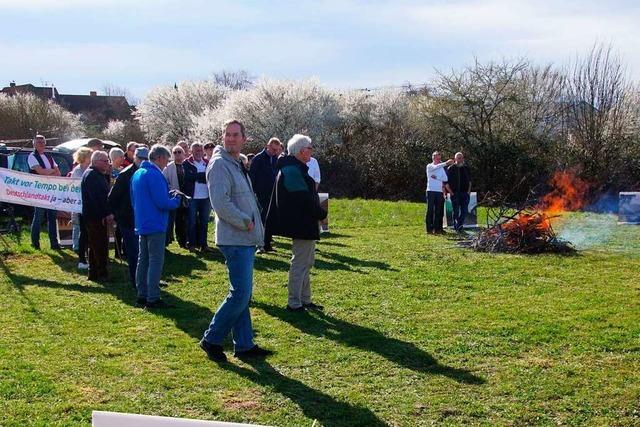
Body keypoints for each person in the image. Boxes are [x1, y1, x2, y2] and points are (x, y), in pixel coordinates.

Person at [199, 119, 271, 363]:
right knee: (240, 294)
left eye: (235, 134)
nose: (230, 138)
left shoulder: (236, 163)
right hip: (235, 237)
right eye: (227, 134)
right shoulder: (220, 165)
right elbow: (221, 203)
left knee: (243, 293)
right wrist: (245, 221)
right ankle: (212, 338)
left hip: (243, 237)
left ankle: (244, 344)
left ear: (244, 138)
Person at [266, 134, 327, 312]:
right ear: (301, 151)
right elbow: (303, 199)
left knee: (307, 262)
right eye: (310, 148)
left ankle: (305, 300)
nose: (311, 151)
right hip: (301, 223)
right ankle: (294, 302)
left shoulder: (294, 167)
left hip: (305, 222)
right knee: (300, 263)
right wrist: (321, 214)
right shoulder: (291, 169)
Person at [130, 144, 181, 308]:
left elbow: (134, 199)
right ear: (159, 158)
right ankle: (153, 297)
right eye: (166, 159)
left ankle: (141, 294)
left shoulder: (138, 173)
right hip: (155, 223)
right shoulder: (154, 174)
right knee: (155, 260)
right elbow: (162, 202)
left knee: (143, 259)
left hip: (142, 222)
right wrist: (176, 200)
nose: (167, 163)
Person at [108, 147, 147, 287]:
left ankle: (146, 278)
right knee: (134, 252)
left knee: (144, 252)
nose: (143, 161)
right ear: (135, 158)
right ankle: (136, 280)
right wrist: (116, 215)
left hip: (142, 218)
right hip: (128, 219)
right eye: (141, 158)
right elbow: (113, 198)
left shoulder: (148, 172)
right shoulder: (125, 174)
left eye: (146, 159)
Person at [81, 151, 114, 281]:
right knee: (100, 245)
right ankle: (101, 273)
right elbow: (98, 198)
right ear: (95, 162)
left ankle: (94, 272)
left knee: (95, 244)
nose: (108, 163)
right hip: (95, 217)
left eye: (108, 161)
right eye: (105, 161)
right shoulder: (92, 175)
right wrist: (106, 214)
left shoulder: (97, 174)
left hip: (95, 215)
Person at [249, 137, 282, 253]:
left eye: (277, 150)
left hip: (273, 193)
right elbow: (252, 176)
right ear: (267, 146)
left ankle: (267, 244)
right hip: (260, 193)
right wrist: (252, 193)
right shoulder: (258, 159)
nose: (275, 152)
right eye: (273, 149)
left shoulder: (275, 158)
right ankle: (259, 244)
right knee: (262, 218)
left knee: (270, 219)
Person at [28, 135, 61, 250]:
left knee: (52, 217)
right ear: (34, 144)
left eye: (43, 142)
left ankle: (54, 244)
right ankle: (35, 243)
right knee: (38, 217)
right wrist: (51, 171)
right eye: (38, 142)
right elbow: (41, 171)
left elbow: (58, 173)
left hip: (52, 191)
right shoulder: (32, 156)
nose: (41, 144)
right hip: (39, 192)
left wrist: (49, 172)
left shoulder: (49, 156)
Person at [184, 142, 211, 251]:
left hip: (206, 197)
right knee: (192, 222)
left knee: (204, 222)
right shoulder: (186, 163)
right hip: (192, 198)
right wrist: (201, 177)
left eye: (200, 150)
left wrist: (196, 177)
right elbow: (187, 177)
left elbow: (210, 177)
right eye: (196, 150)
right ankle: (192, 244)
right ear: (191, 151)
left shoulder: (208, 163)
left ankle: (203, 245)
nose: (199, 152)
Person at [70, 147, 92, 269]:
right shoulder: (77, 171)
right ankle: (82, 259)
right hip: (81, 205)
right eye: (90, 155)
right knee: (83, 232)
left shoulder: (89, 169)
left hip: (89, 205)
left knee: (88, 232)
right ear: (84, 157)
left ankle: (88, 256)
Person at [163, 145, 189, 248]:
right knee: (170, 221)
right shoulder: (168, 167)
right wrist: (171, 190)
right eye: (175, 152)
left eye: (179, 152)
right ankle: (167, 241)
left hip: (186, 197)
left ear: (184, 154)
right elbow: (164, 181)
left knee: (183, 221)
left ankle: (183, 241)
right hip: (174, 198)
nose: (177, 154)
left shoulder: (187, 165)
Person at [425, 151, 453, 234]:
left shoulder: (441, 168)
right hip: (430, 191)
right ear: (433, 158)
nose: (439, 160)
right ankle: (429, 229)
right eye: (437, 158)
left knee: (439, 210)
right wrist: (445, 163)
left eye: (440, 158)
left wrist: (436, 177)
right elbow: (434, 168)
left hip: (439, 191)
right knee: (430, 210)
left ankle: (437, 228)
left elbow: (445, 179)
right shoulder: (429, 166)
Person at [446, 152, 472, 231]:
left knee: (464, 211)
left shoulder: (466, 168)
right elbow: (446, 183)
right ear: (455, 159)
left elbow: (470, 181)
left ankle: (460, 225)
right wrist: (451, 192)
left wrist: (468, 191)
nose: (460, 160)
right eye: (459, 158)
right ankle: (456, 227)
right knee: (456, 211)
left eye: (461, 158)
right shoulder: (450, 168)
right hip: (455, 193)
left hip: (465, 194)